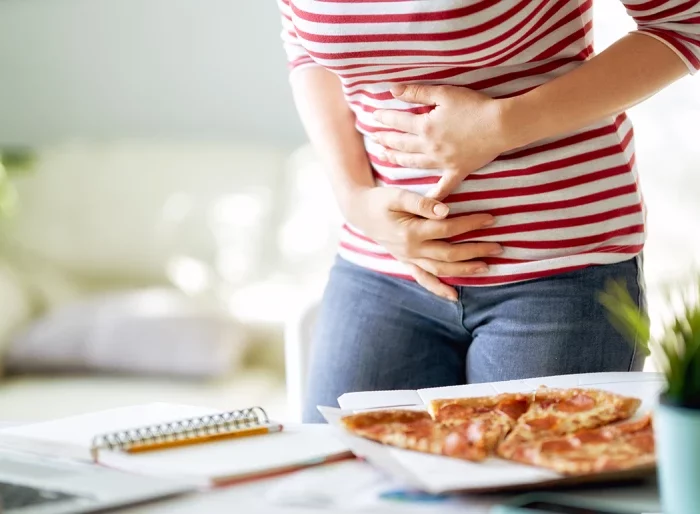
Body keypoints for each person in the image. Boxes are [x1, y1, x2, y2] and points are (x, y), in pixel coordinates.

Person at [276, 0, 700, 422]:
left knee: (527, 485)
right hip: (381, 263)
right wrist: (354, 198)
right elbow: (303, 47)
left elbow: (685, 22)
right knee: (338, 481)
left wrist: (505, 124)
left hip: (558, 273)